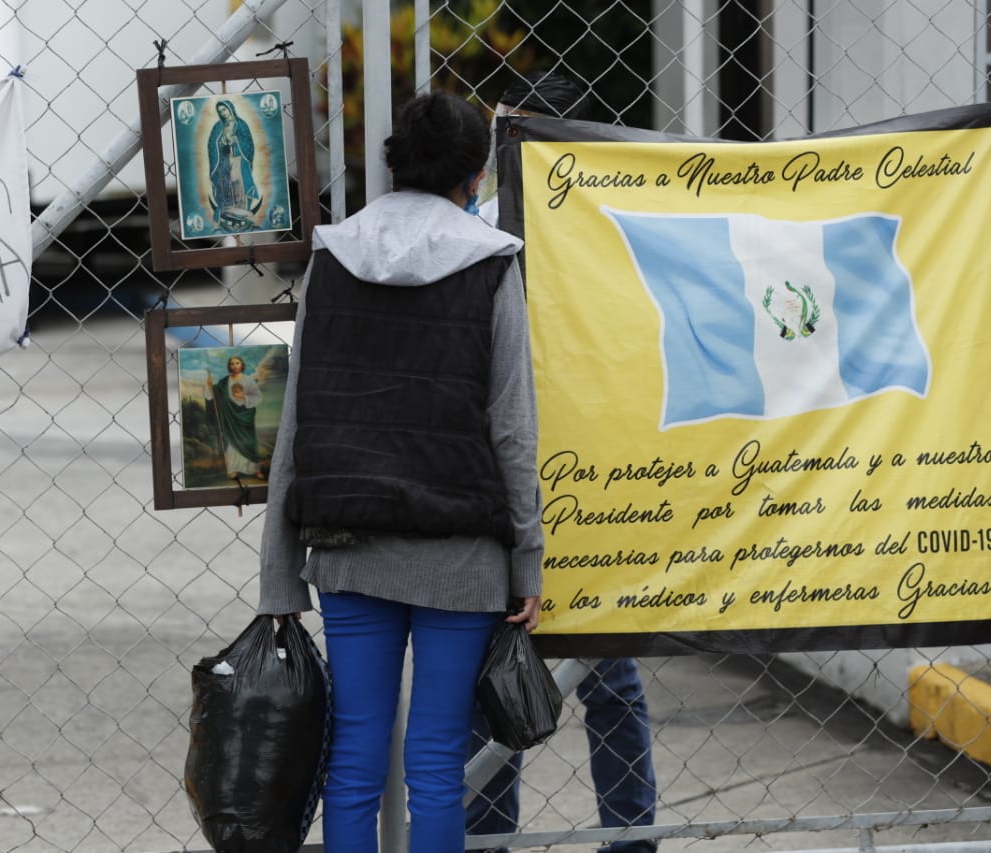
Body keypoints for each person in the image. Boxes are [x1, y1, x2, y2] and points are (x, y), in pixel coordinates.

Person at [258, 90, 544, 853]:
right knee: (437, 768)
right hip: (461, 554)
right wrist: (528, 562)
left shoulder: (332, 255)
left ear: (394, 162)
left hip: (350, 546)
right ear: (475, 173)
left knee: (353, 761)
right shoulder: (491, 263)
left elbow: (297, 424)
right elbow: (512, 429)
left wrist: (279, 576)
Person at [467, 71, 659, 853]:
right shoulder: (492, 229)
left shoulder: (509, 225)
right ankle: (622, 837)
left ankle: (506, 840)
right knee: (581, 682)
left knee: (552, 680)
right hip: (559, 481)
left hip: (555, 482)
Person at [204, 355, 263, 480]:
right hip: (229, 418)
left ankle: (254, 469)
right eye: (232, 363)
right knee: (232, 443)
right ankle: (233, 469)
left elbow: (258, 397)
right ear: (229, 366)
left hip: (245, 417)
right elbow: (214, 394)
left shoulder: (248, 380)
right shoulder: (225, 381)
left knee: (249, 443)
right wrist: (209, 386)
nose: (235, 365)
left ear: (242, 365)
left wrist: (244, 397)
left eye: (237, 363)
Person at [207, 98, 260, 228]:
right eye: (220, 111)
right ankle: (227, 210)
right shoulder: (218, 127)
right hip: (224, 161)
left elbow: (248, 144)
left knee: (238, 182)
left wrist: (236, 141)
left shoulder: (241, 124)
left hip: (238, 159)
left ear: (230, 109)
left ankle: (241, 210)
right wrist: (221, 143)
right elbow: (211, 145)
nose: (223, 113)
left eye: (224, 109)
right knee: (225, 184)